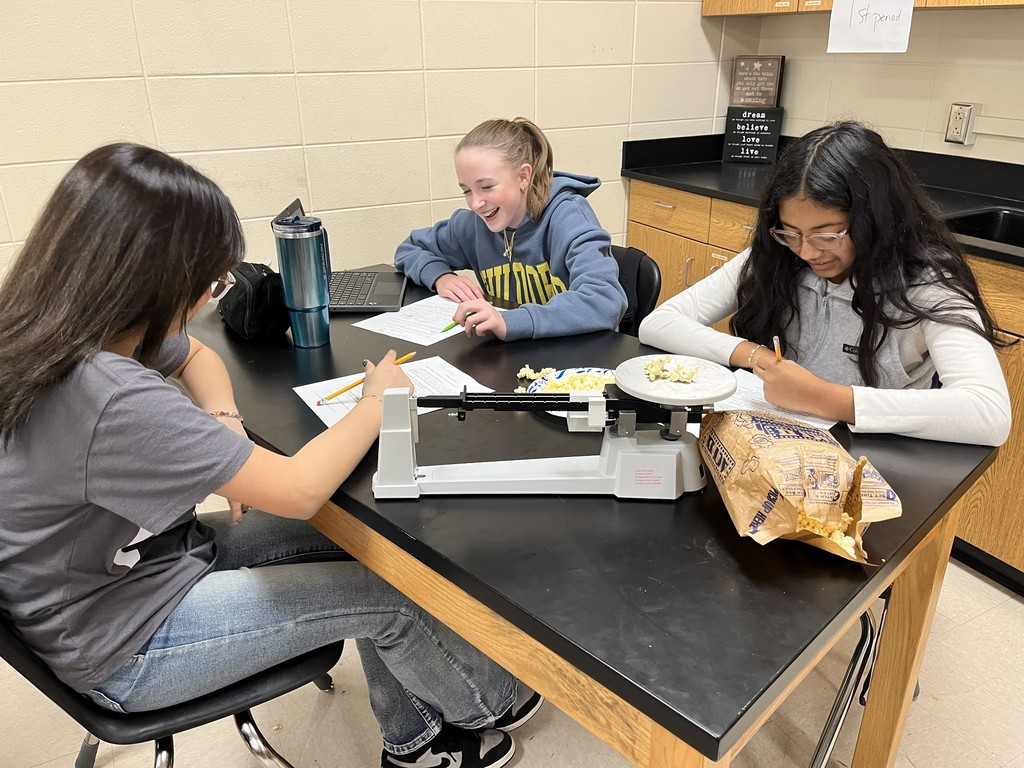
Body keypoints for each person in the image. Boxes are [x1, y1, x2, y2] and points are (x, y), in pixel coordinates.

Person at [0, 144, 542, 768]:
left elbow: (195, 355)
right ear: (151, 279)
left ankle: (413, 737)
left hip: (133, 574)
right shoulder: (109, 395)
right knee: (387, 592)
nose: (207, 298)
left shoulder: (55, 329)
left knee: (368, 542)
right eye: (205, 280)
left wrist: (226, 429)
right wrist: (378, 401)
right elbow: (298, 489)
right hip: (124, 644)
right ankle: (486, 700)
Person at [639, 121, 1011, 446]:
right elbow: (659, 323)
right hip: (774, 446)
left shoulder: (928, 285)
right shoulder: (778, 255)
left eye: (827, 235)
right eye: (792, 233)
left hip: (872, 468)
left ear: (874, 221)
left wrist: (824, 398)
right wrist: (756, 357)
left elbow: (989, 413)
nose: (806, 252)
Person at [395, 117, 627, 340]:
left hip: (577, 362)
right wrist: (441, 277)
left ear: (523, 177)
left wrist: (511, 322)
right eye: (466, 190)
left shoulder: (568, 217)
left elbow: (605, 301)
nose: (475, 203)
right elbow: (410, 248)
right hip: (517, 358)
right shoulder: (473, 225)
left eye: (486, 186)